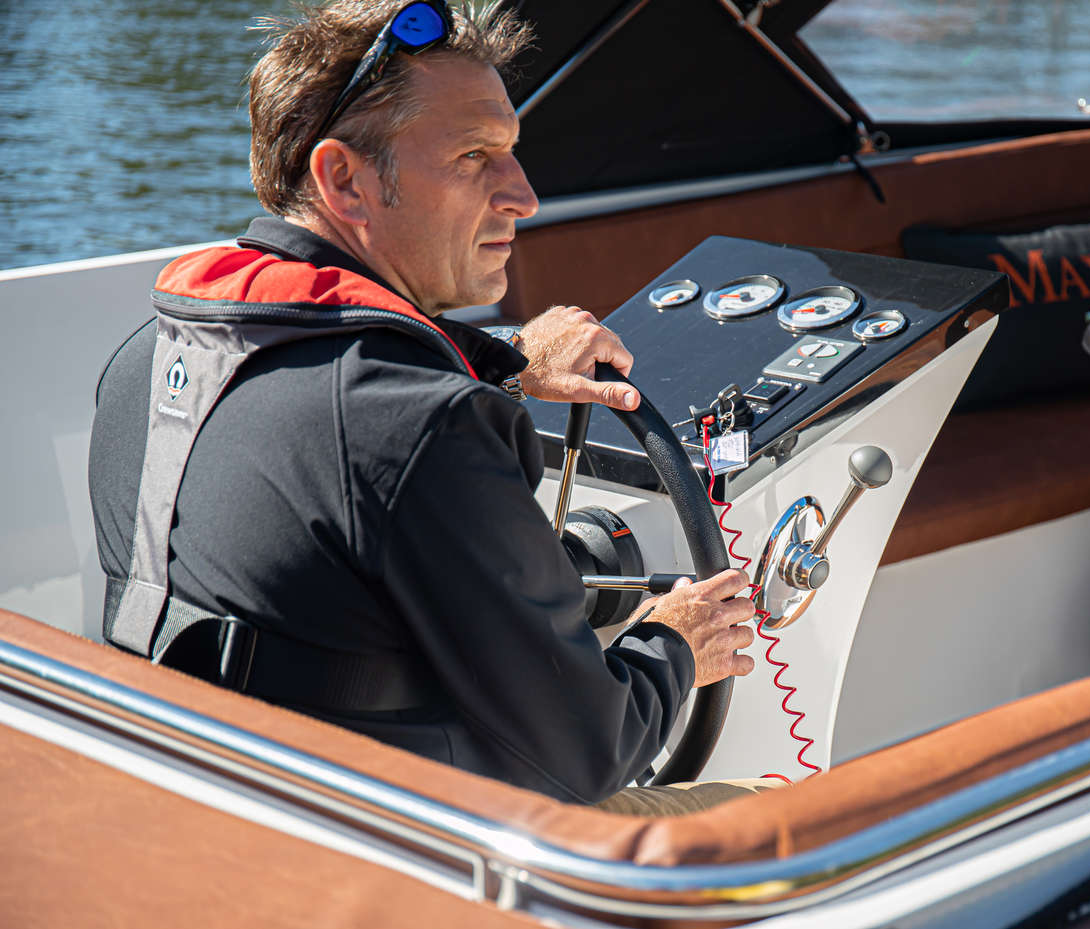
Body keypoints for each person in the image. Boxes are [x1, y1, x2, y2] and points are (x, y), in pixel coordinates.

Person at [87, 0, 762, 812]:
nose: (523, 195)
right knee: (786, 819)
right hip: (398, 845)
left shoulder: (142, 363)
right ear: (345, 180)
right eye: (476, 156)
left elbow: (335, 416)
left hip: (210, 797)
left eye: (512, 154)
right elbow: (589, 753)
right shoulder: (420, 423)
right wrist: (673, 641)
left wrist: (506, 364)